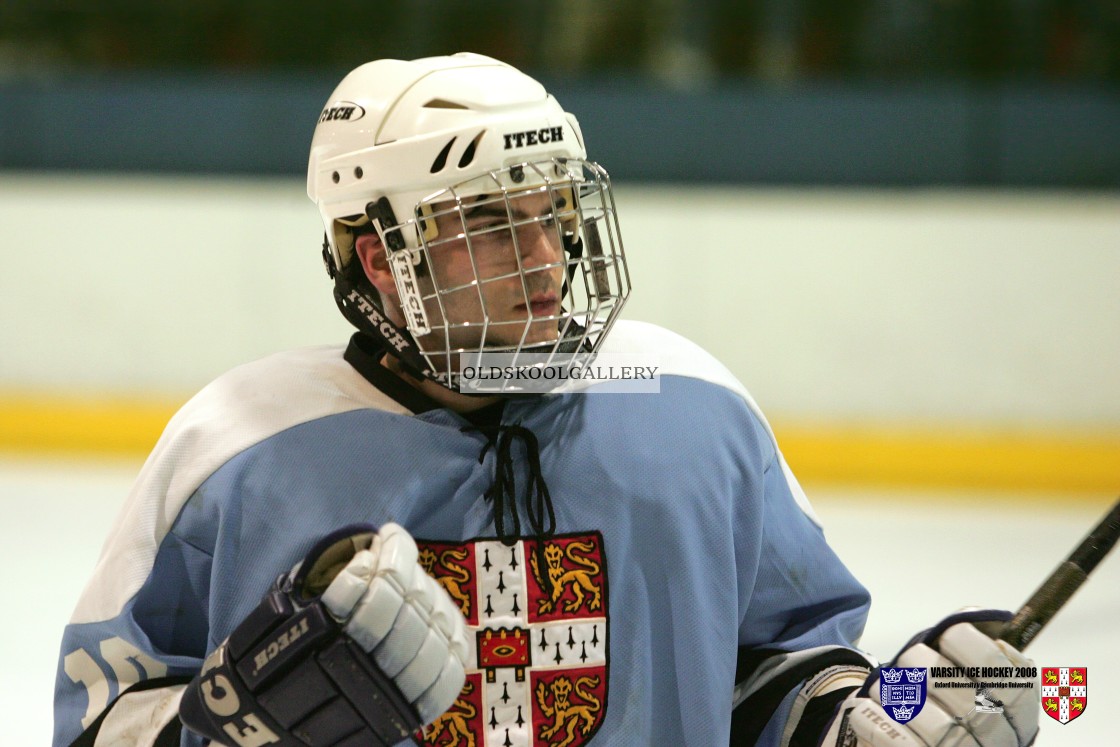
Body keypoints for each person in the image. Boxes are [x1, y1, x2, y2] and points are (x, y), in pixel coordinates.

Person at [53, 53, 1039, 747]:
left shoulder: (692, 408)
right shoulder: (238, 448)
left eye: (552, 213)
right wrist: (230, 732)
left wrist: (896, 714)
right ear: (381, 261)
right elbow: (100, 718)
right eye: (489, 220)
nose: (541, 257)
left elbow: (791, 673)